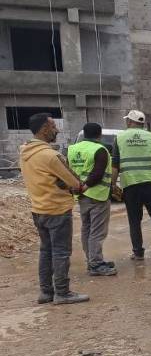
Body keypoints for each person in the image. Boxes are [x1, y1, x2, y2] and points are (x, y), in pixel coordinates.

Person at [19, 113, 89, 305]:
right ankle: (62, 292)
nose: (56, 130)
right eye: (53, 126)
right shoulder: (51, 156)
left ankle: (46, 292)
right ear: (44, 129)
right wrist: (79, 186)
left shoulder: (24, 152)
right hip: (57, 210)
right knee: (61, 252)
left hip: (38, 209)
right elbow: (75, 183)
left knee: (46, 251)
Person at [111, 110, 151, 263]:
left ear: (129, 122)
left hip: (131, 184)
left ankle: (138, 253)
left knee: (134, 220)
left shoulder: (120, 138)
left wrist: (112, 184)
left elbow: (115, 164)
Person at [68, 123, 116, 276]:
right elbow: (97, 173)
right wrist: (87, 186)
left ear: (84, 134)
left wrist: (79, 188)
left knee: (87, 228)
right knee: (97, 231)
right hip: (97, 194)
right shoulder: (100, 149)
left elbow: (69, 171)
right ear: (99, 134)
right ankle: (96, 264)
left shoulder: (72, 149)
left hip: (81, 195)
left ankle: (92, 260)